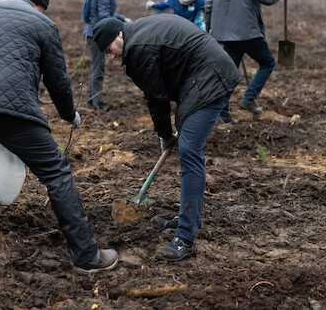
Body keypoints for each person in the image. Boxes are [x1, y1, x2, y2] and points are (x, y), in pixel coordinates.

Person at [0, 0, 118, 275]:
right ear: (39, 5)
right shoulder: (43, 25)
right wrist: (68, 114)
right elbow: (58, 80)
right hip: (15, 112)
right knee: (56, 173)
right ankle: (87, 256)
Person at [92, 14, 241, 261]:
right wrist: (169, 133)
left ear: (119, 35)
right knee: (186, 147)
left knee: (190, 151)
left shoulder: (137, 48)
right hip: (198, 78)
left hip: (209, 77)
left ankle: (184, 239)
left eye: (110, 50)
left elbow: (156, 97)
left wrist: (164, 134)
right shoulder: (137, 34)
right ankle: (186, 219)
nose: (112, 57)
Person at [204, 0, 291, 123]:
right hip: (248, 34)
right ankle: (248, 98)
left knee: (229, 73)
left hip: (227, 37)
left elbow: (208, 7)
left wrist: (209, 33)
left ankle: (223, 113)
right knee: (267, 63)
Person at [82, 0, 130, 111]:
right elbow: (105, 17)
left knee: (95, 68)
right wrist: (122, 22)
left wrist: (121, 18)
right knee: (98, 69)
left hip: (91, 34)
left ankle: (91, 100)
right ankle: (96, 103)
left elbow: (106, 14)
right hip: (96, 36)